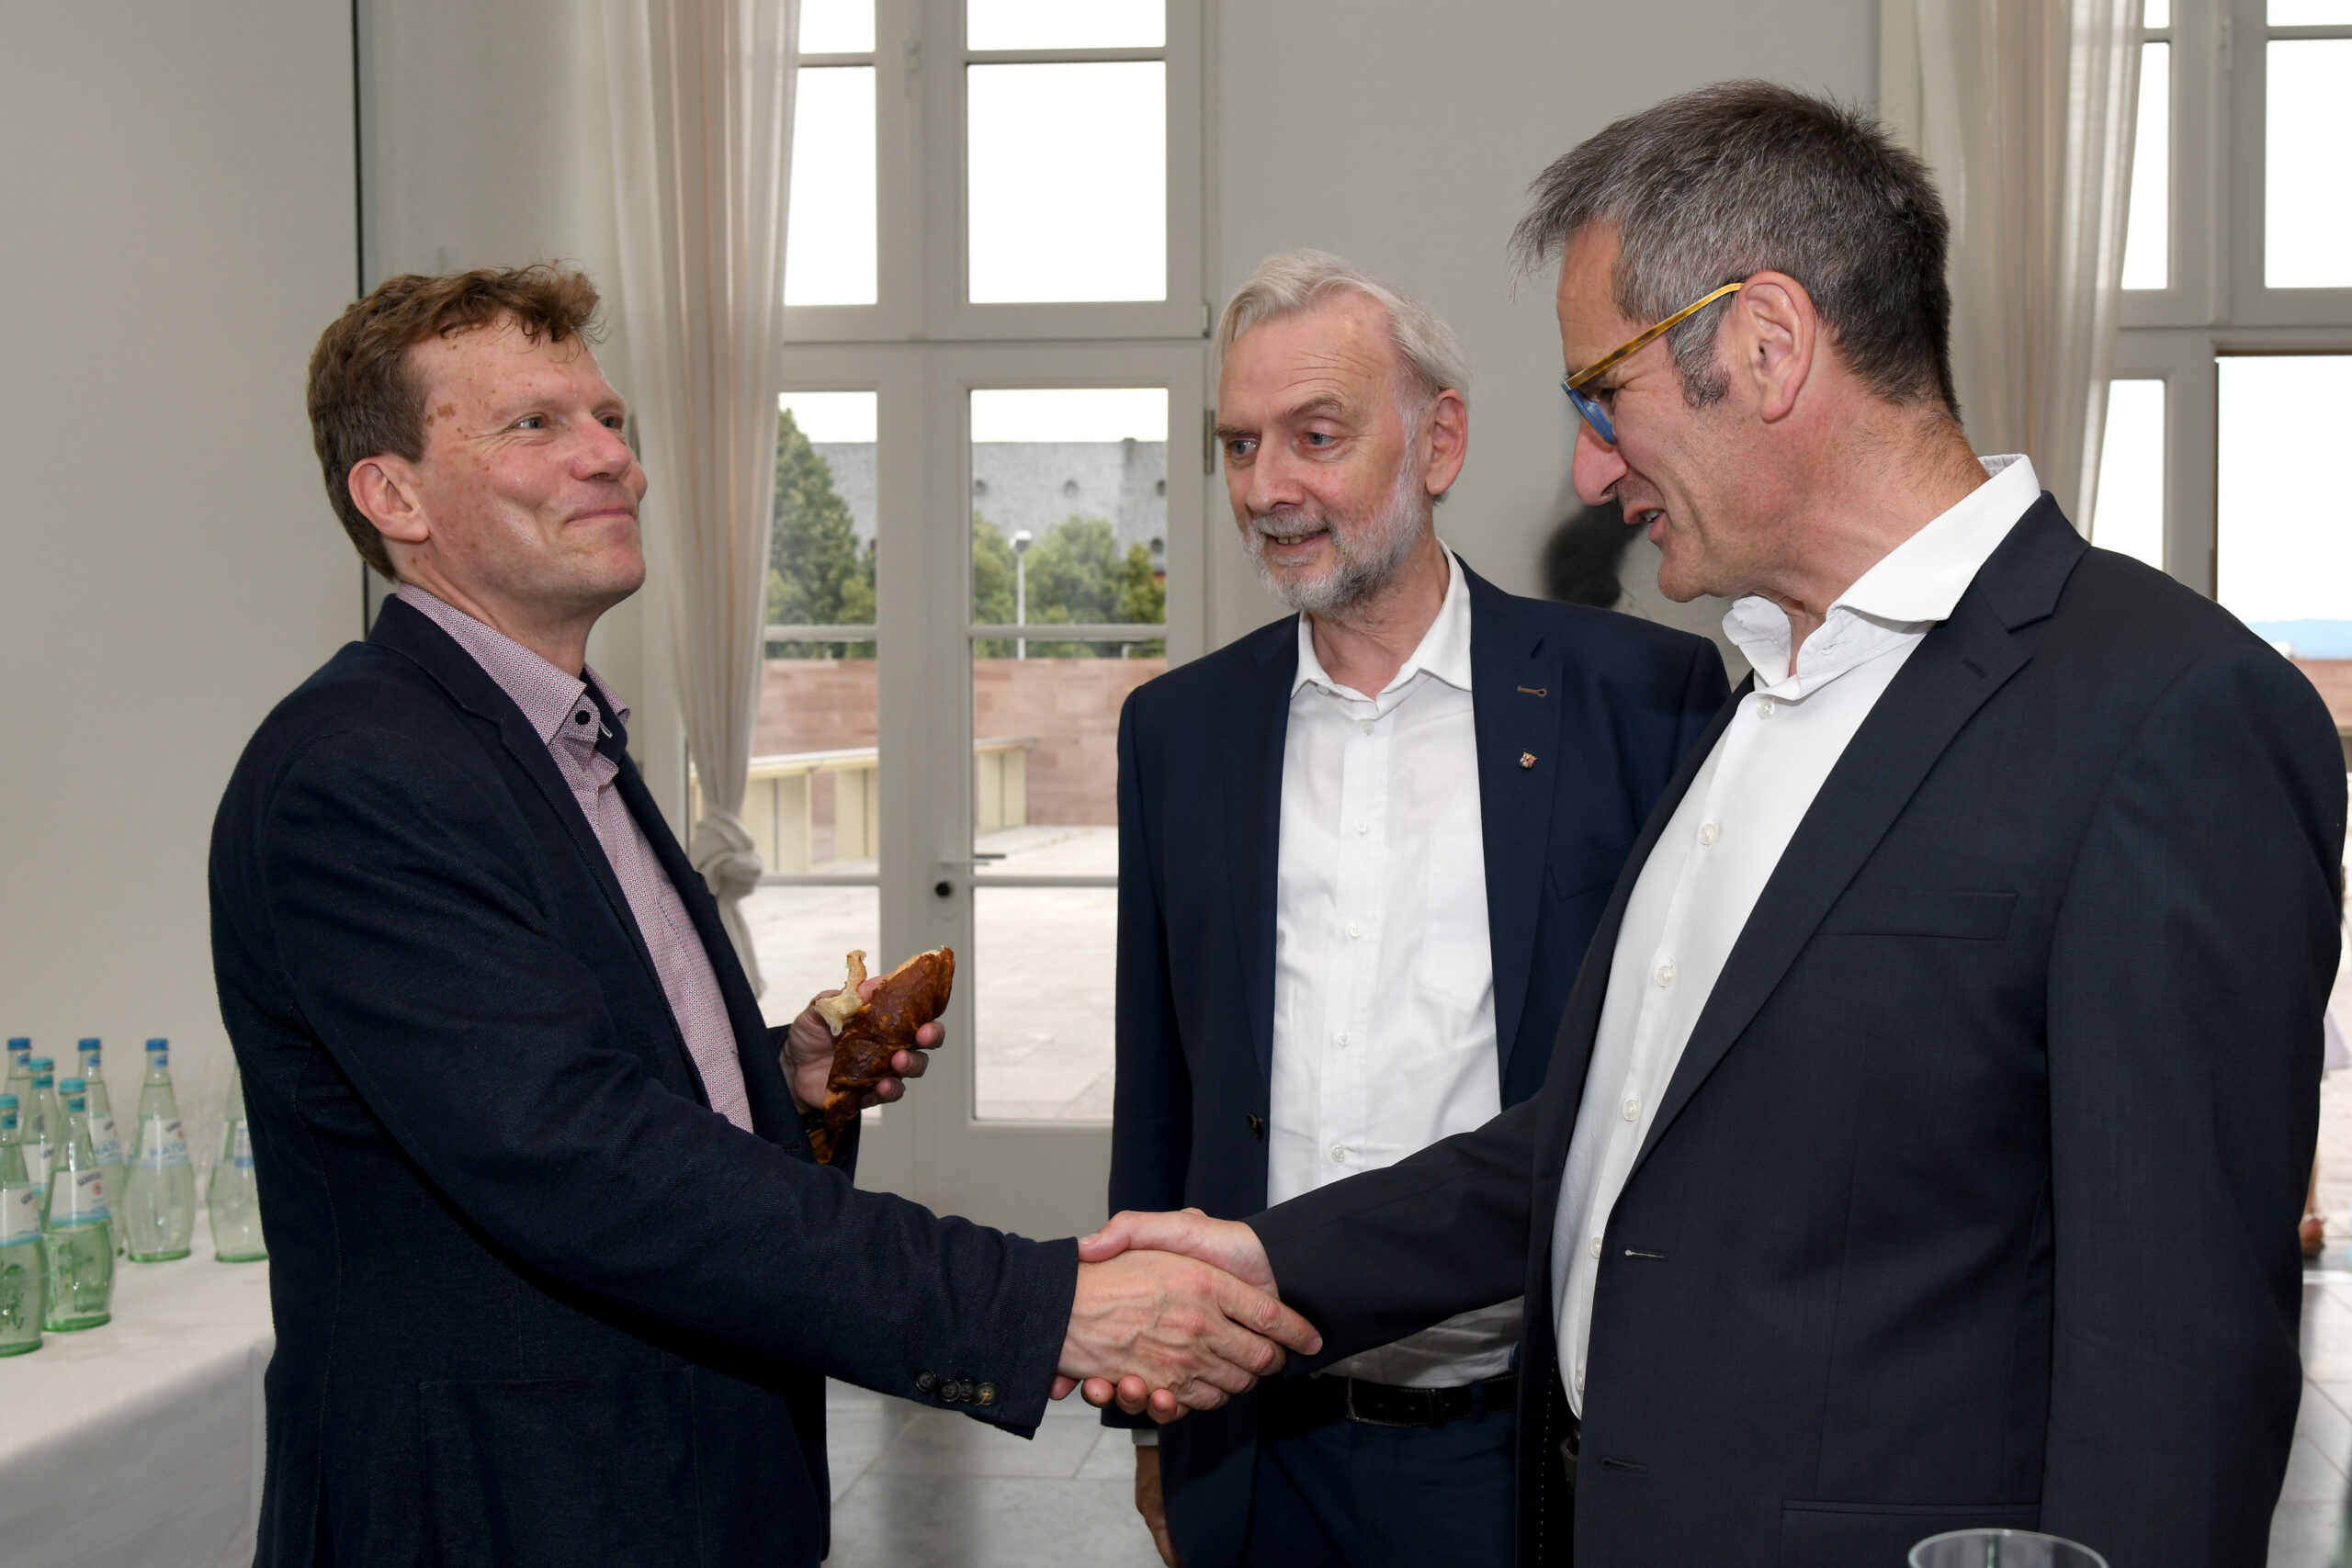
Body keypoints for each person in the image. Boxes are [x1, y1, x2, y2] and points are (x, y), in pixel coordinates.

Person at [1076, 83, 2346, 1567]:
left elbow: (2173, 1382)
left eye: (1601, 401)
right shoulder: (1768, 694)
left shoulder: (2169, 713)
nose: (1591, 471)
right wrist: (1263, 1255)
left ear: (1766, 345)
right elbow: (1609, 1137)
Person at [209, 265, 1319, 1568]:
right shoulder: (359, 774)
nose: (611, 458)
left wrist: (779, 1085)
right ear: (393, 496)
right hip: (505, 1510)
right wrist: (1043, 1310)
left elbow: (589, 1077)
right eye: (536, 426)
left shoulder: (562, 743)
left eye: (610, 419)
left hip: (678, 1486)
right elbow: (583, 1159)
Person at [1108, 251, 1724, 1568]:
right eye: (1239, 445)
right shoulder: (1180, 731)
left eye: (1315, 437)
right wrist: (1151, 1424)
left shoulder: (1644, 703)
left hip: (1515, 1455)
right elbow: (1158, 1086)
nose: (1267, 488)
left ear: (1437, 439)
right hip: (1254, 1449)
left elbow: (1681, 1106)